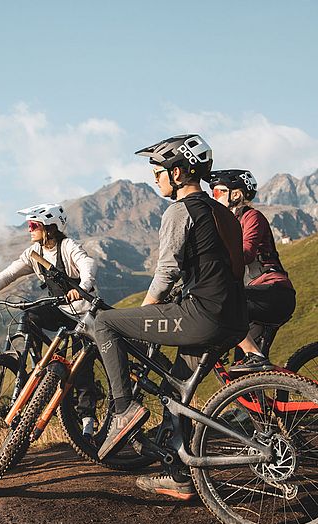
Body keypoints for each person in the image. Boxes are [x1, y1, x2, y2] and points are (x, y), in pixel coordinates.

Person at [91, 134, 248, 500]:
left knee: (104, 322)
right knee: (175, 388)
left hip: (202, 316)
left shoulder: (180, 211)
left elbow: (165, 273)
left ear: (177, 172)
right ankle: (178, 474)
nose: (155, 178)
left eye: (158, 171)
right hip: (234, 319)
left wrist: (144, 318)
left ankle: (123, 410)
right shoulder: (223, 212)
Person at [0, 203, 100, 437]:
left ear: (49, 228)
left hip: (83, 312)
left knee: (81, 367)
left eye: (33, 225)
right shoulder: (34, 254)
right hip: (62, 311)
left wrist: (82, 287)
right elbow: (9, 274)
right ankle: (41, 367)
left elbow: (88, 264)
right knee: (30, 316)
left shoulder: (67, 246)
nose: (28, 230)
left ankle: (88, 419)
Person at [209, 169, 296, 374]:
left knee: (222, 300)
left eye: (217, 193)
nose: (214, 197)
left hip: (274, 293)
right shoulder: (225, 224)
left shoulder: (251, 217)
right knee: (243, 371)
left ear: (236, 194)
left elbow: (246, 252)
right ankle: (255, 406)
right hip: (253, 300)